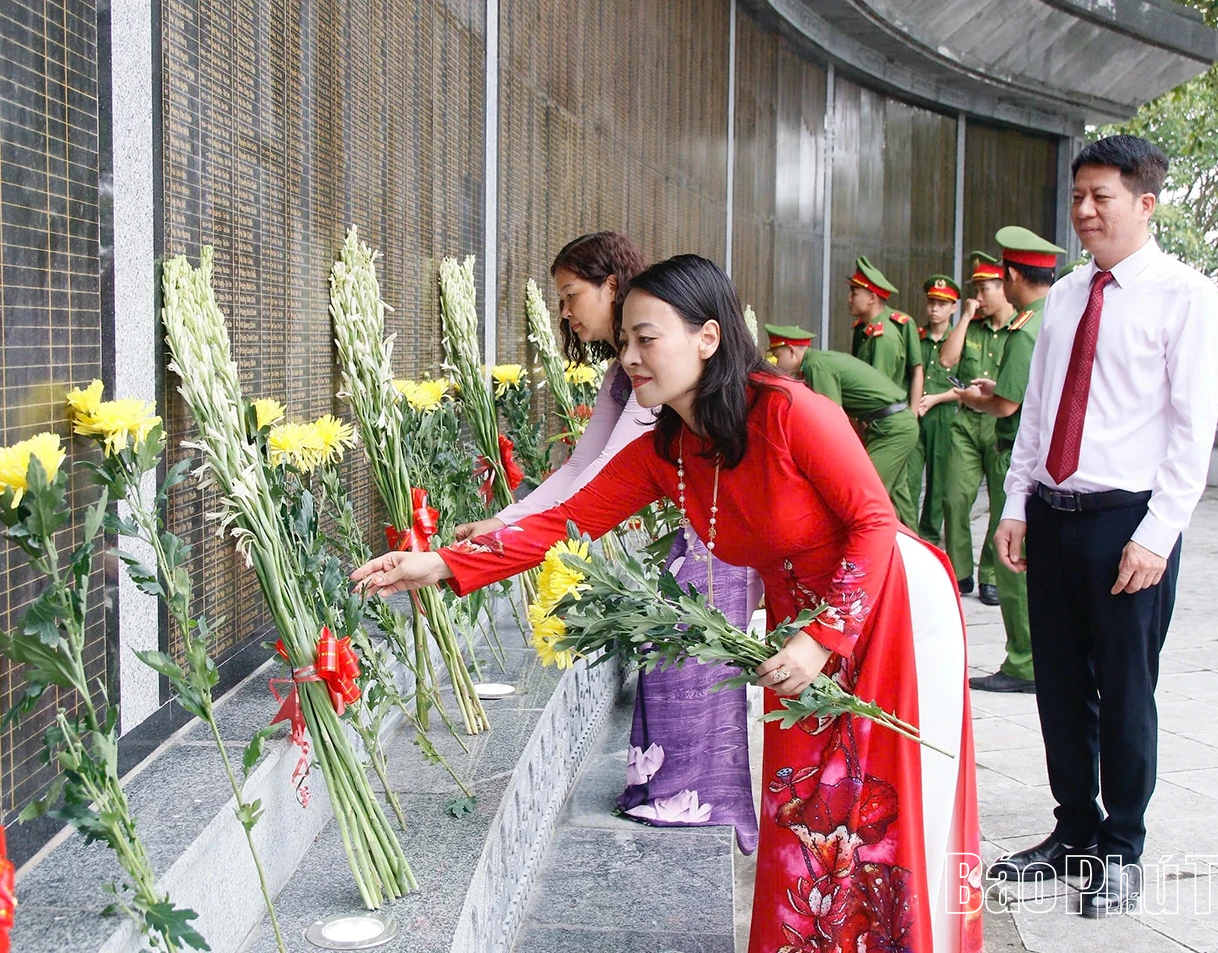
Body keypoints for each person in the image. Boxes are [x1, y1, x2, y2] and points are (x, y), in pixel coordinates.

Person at [357, 255, 983, 953]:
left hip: (885, 606)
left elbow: (872, 521)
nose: (628, 358)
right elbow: (561, 525)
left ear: (707, 338)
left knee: (887, 810)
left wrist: (822, 639)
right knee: (808, 806)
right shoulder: (671, 451)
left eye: (645, 338)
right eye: (622, 341)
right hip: (801, 629)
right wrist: (439, 564)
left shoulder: (791, 413)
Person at [455, 231, 760, 851]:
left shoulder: (732, 398)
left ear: (613, 287)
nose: (566, 313)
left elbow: (601, 479)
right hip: (686, 537)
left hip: (715, 540)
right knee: (680, 674)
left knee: (691, 674)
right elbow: (583, 474)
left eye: (572, 295)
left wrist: (510, 530)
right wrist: (506, 526)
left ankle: (696, 802)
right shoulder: (626, 381)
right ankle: (678, 797)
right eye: (628, 343)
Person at [990, 135, 1218, 917]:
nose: (1085, 211)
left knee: (1126, 690)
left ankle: (1122, 845)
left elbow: (1192, 433)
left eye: (1103, 197)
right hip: (1057, 519)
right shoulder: (1063, 295)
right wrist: (1017, 502)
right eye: (1078, 196)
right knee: (1060, 687)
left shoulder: (1188, 298)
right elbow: (1040, 414)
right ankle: (1074, 830)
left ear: (1146, 204)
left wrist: (1157, 535)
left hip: (1127, 524)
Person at [955, 227, 1062, 694]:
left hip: (1016, 457)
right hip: (1053, 461)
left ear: (1014, 276)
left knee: (1012, 559)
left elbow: (1008, 406)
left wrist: (975, 398)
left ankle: (1024, 662)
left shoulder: (1024, 330)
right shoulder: (1059, 319)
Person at [765, 324, 919, 499]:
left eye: (777, 356)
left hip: (892, 428)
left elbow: (835, 421)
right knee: (895, 499)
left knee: (866, 494)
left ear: (791, 351)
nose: (775, 363)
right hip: (893, 423)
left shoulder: (816, 366)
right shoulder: (821, 360)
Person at [937, 252, 1013, 604]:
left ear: (1004, 287)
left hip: (1001, 425)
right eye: (976, 291)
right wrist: (966, 316)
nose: (978, 297)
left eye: (984, 290)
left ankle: (990, 575)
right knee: (954, 499)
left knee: (1001, 503)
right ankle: (960, 570)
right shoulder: (974, 325)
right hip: (966, 423)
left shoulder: (1021, 327)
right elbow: (946, 360)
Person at [848, 257, 923, 524]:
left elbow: (875, 388)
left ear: (871, 297)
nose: (849, 298)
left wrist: (912, 413)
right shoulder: (864, 331)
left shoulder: (885, 336)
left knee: (872, 489)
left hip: (886, 422)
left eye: (854, 292)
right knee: (899, 494)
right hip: (883, 422)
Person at [916, 276, 961, 545]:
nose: (935, 309)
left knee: (937, 478)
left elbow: (965, 382)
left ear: (953, 308)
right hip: (916, 412)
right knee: (909, 478)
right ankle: (907, 529)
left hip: (943, 413)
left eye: (942, 304)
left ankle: (930, 535)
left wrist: (936, 398)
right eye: (932, 302)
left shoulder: (958, 339)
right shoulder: (917, 337)